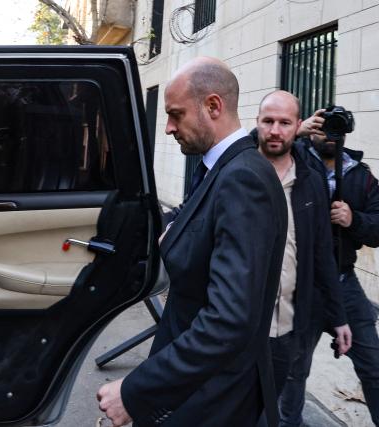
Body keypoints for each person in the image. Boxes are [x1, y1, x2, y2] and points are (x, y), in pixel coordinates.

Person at [97, 57, 288, 427]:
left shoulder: (242, 179)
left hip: (210, 398)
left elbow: (228, 320)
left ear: (213, 106)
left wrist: (137, 390)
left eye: (175, 114)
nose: (168, 127)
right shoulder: (220, 170)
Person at [279, 109, 379, 427]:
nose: (326, 134)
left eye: (334, 128)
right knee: (294, 368)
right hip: (302, 283)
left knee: (373, 364)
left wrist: (353, 219)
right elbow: (252, 146)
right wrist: (297, 131)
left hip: (345, 282)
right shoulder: (294, 160)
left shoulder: (360, 174)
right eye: (320, 127)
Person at [254, 91, 352, 401]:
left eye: (285, 122)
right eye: (267, 121)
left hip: (288, 328)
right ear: (256, 123)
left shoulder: (310, 181)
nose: (274, 130)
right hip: (238, 326)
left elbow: (323, 252)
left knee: (276, 407)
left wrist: (338, 317)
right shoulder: (237, 170)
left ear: (297, 126)